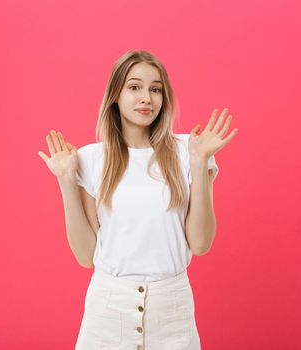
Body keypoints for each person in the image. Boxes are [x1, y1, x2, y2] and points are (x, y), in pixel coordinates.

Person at [38, 50, 238, 350]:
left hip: (172, 310)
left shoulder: (190, 150)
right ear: (116, 95)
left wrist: (199, 163)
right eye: (135, 87)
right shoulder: (90, 159)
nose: (146, 97)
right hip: (108, 312)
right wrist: (66, 181)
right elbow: (85, 256)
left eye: (155, 89)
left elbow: (201, 244)